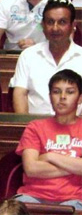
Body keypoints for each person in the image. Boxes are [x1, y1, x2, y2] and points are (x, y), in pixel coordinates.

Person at [15, 69, 82, 210]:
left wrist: (49, 156)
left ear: (80, 97)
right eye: (56, 92)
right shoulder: (35, 127)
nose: (62, 97)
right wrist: (75, 166)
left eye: (70, 92)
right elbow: (31, 168)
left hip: (74, 199)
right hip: (32, 196)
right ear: (50, 96)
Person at [10, 0, 82, 115]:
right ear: (43, 25)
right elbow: (20, 94)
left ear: (73, 26)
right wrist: (25, 127)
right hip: (36, 128)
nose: (55, 28)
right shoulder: (28, 55)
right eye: (50, 22)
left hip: (76, 130)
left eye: (62, 22)